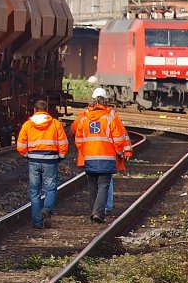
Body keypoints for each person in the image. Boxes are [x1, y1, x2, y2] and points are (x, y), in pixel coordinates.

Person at [74, 87, 132, 223]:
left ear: (93, 102)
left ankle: (93, 211)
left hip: (89, 158)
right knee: (103, 185)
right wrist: (119, 153)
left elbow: (78, 140)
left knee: (92, 186)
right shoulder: (110, 118)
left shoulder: (84, 119)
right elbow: (119, 139)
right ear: (105, 101)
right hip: (107, 158)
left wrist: (86, 152)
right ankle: (98, 213)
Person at [16, 99, 69, 229]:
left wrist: (26, 155)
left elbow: (20, 145)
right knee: (50, 189)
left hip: (33, 161)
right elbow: (63, 143)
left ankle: (38, 222)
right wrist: (61, 156)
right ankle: (47, 209)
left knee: (35, 191)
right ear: (47, 110)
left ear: (34, 110)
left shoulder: (27, 125)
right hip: (50, 161)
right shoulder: (55, 124)